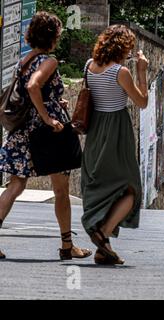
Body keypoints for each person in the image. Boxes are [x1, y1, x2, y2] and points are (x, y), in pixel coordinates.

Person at [0, 11, 92, 260]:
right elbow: (33, 87)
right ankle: (67, 245)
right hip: (48, 132)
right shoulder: (48, 61)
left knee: (16, 185)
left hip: (22, 132)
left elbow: (31, 88)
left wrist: (51, 102)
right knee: (60, 189)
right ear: (53, 36)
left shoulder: (25, 60)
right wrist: (48, 116)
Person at [81, 25, 149, 265]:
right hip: (116, 131)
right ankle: (103, 232)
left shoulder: (88, 66)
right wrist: (142, 71)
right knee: (130, 189)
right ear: (122, 47)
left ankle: (103, 250)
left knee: (102, 185)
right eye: (129, 48)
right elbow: (142, 102)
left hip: (95, 131)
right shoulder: (121, 72)